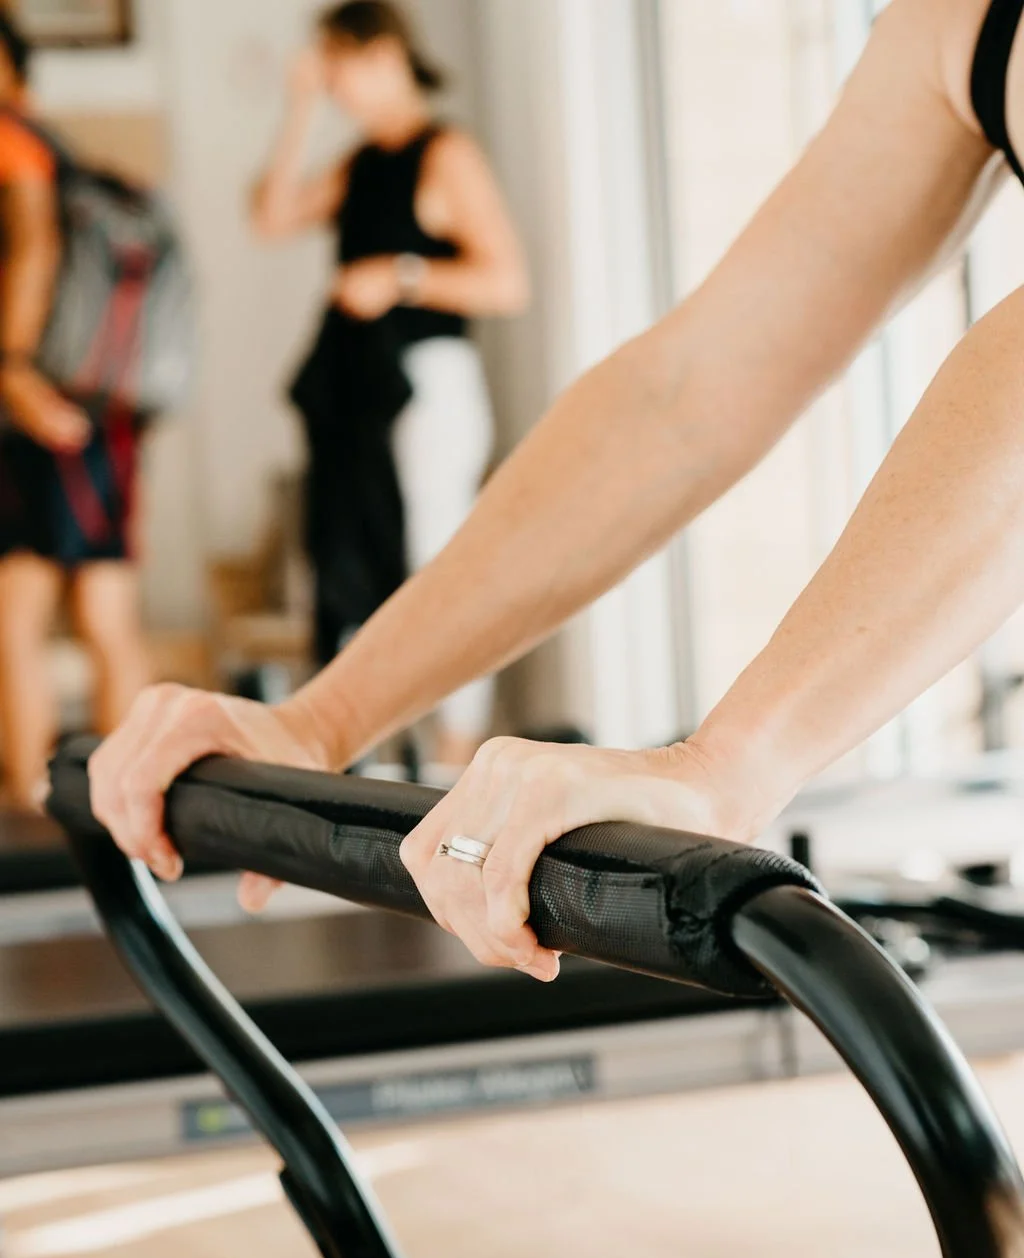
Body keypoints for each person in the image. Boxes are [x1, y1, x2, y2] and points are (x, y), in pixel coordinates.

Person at [89, 0, 1024, 980]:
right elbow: (684, 394)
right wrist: (316, 721)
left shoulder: (442, 152)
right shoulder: (943, 25)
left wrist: (725, 768)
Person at [251, 0, 529, 772]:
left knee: (439, 560)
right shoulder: (360, 161)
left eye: (333, 67)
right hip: (360, 392)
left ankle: (451, 754)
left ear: (378, 55)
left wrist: (403, 275)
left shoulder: (447, 154)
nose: (331, 84)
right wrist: (300, 103)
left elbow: (508, 282)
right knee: (359, 553)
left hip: (428, 381)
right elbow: (272, 216)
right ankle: (368, 749)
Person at [0, 13, 148, 811]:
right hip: (96, 406)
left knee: (47, 610)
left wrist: (15, 370)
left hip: (39, 400)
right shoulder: (58, 149)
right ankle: (119, 798)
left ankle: (37, 802)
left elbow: (34, 249)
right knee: (73, 605)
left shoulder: (13, 141)